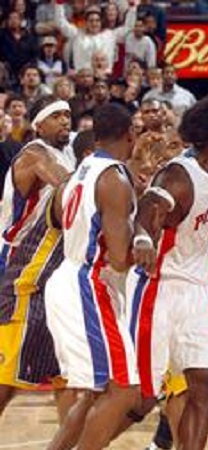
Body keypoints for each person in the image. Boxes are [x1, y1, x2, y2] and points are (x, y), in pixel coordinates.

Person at [125, 93, 208, 449]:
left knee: (204, 384)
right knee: (140, 398)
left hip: (198, 291)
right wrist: (143, 238)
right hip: (160, 287)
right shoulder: (180, 173)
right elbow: (150, 206)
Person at [44, 103, 140, 450]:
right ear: (130, 134)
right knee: (125, 388)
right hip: (88, 285)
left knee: (92, 395)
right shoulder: (114, 178)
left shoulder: (80, 171)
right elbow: (119, 260)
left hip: (69, 277)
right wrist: (148, 242)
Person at [0, 96, 75, 420]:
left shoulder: (66, 154)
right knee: (6, 374)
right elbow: (70, 187)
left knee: (65, 371)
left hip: (54, 273)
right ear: (38, 125)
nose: (65, 121)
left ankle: (71, 441)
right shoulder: (35, 154)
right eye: (56, 116)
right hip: (23, 267)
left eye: (67, 115)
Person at [54, 1, 138, 71]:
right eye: (91, 21)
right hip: (83, 78)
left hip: (105, 79)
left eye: (97, 20)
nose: (94, 24)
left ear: (101, 22)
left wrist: (132, 7)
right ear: (86, 22)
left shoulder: (109, 35)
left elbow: (128, 27)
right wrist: (59, 4)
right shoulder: (77, 34)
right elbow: (61, 24)